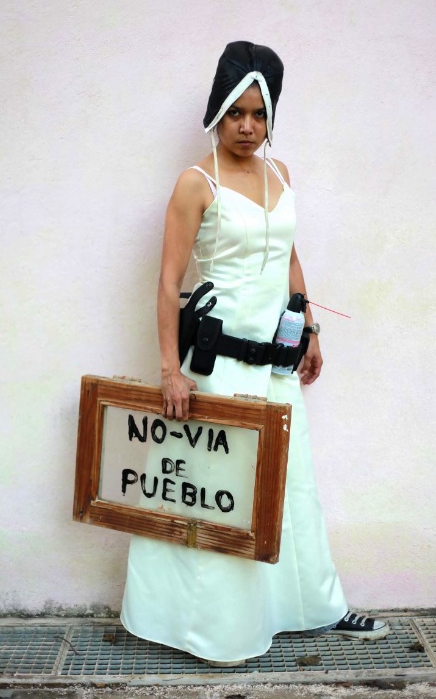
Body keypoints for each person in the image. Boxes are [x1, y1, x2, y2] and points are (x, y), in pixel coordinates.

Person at [121, 41, 389, 666]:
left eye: (259, 115)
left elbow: (289, 258)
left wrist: (311, 329)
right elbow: (167, 282)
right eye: (236, 113)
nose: (247, 126)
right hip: (217, 368)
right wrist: (169, 371)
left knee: (290, 482)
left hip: (276, 363)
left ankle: (312, 607)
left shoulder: (281, 175)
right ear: (218, 112)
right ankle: (219, 629)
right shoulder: (197, 183)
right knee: (222, 490)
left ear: (271, 119)